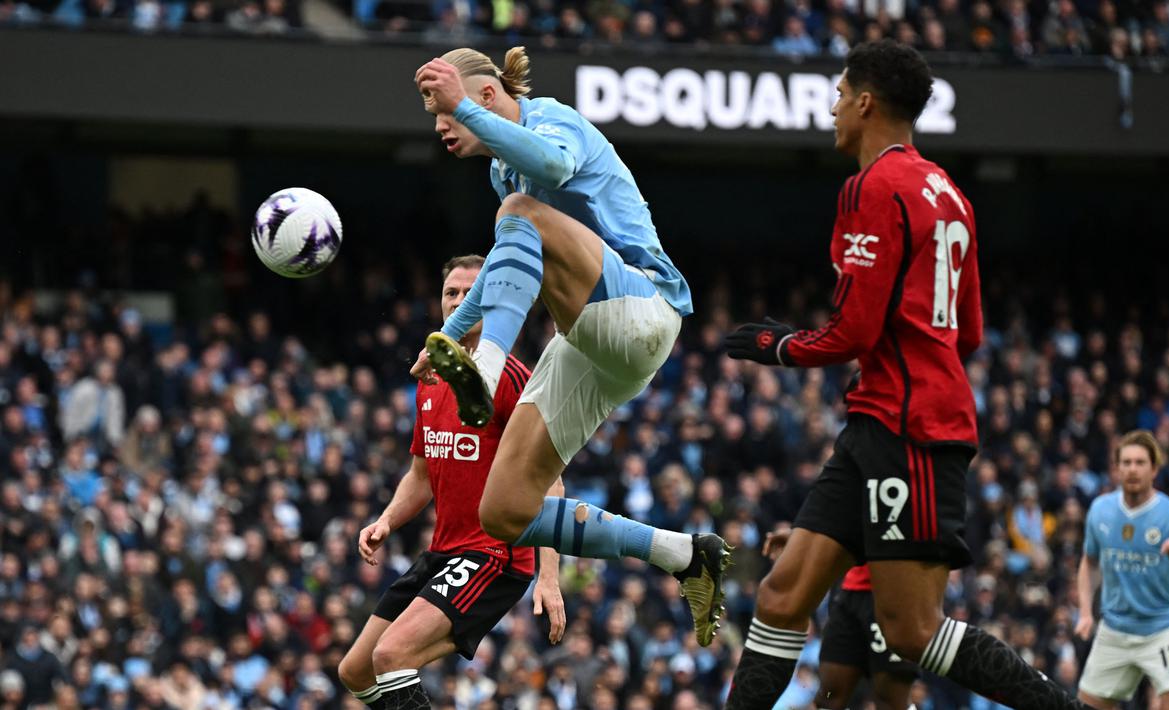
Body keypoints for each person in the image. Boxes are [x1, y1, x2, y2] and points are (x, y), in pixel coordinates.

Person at [722, 39, 1092, 709]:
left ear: (865, 102)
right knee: (782, 594)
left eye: (838, 94)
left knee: (912, 631)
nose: (831, 107)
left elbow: (851, 332)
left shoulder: (871, 188)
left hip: (910, 429)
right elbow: (969, 333)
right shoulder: (947, 191)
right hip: (880, 420)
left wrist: (776, 345)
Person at [410, 46, 731, 648]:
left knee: (520, 210)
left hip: (644, 307)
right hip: (591, 345)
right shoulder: (502, 170)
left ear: (484, 96)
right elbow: (506, 261)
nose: (439, 125)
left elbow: (555, 170)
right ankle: (685, 555)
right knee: (503, 511)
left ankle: (486, 366)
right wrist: (449, 335)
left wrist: (475, 350)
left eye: (446, 110)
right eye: (435, 114)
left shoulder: (552, 119)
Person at [337, 255, 567, 710]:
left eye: (471, 292)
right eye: (451, 293)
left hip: (496, 555)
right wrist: (386, 521)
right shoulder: (431, 377)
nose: (460, 301)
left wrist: (550, 577)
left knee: (391, 654)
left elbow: (551, 481)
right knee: (356, 670)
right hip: (444, 550)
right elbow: (421, 474)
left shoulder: (512, 380)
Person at [1075, 430, 1169, 710]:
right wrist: (1084, 612)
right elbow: (1089, 561)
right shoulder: (1100, 510)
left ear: (1154, 469)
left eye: (1140, 462)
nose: (1132, 469)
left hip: (1163, 628)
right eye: (1126, 463)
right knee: (1083, 708)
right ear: (1116, 469)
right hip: (1115, 627)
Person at [765, 530, 917, 709]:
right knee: (830, 694)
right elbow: (837, 521)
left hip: (891, 593)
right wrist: (801, 540)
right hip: (849, 595)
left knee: (891, 697)